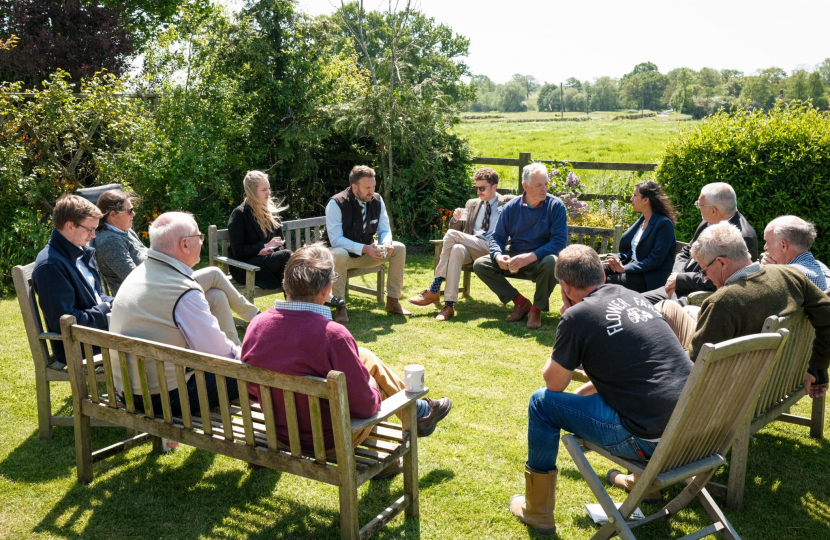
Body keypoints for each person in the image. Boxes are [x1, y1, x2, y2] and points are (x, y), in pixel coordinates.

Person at [508, 244, 693, 533]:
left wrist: (568, 318)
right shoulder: (635, 298)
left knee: (540, 403)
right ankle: (647, 486)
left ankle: (538, 511)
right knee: (641, 398)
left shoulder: (577, 316)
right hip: (691, 432)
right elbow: (633, 371)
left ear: (565, 287)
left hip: (649, 441)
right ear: (603, 277)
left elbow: (553, 383)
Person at [241, 245, 452, 476]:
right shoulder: (333, 335)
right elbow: (366, 406)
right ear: (327, 289)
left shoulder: (257, 325)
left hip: (279, 432)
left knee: (365, 356)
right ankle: (419, 414)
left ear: (286, 283)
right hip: (330, 440)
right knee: (371, 381)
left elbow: (252, 390)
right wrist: (372, 385)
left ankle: (421, 413)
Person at [658, 222, 830, 396]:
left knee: (666, 309)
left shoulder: (722, 303)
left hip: (730, 395)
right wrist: (818, 367)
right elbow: (827, 312)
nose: (706, 278)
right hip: (774, 384)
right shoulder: (791, 275)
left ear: (722, 263)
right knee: (678, 309)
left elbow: (694, 369)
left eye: (704, 270)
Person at [109, 212, 243, 416]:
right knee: (250, 370)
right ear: (185, 244)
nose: (202, 242)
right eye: (200, 237)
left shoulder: (139, 274)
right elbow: (219, 356)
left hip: (127, 391)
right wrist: (245, 354)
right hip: (166, 397)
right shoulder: (183, 290)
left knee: (215, 295)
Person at [92, 189, 259, 327]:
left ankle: (233, 352)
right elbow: (133, 277)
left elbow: (147, 256)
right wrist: (168, 266)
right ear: (113, 215)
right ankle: (257, 318)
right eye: (129, 210)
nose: (134, 214)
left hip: (162, 285)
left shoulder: (124, 231)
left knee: (217, 296)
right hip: (148, 299)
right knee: (214, 274)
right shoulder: (109, 240)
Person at [472, 162, 568, 330]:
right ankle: (520, 303)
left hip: (541, 257)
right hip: (515, 254)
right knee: (481, 264)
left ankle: (536, 310)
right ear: (525, 186)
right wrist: (497, 255)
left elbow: (559, 243)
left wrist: (531, 256)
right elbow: (497, 237)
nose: (544, 188)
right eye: (538, 185)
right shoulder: (511, 207)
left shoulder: (556, 206)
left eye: (545, 184)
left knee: (552, 262)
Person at [408, 168, 512, 321]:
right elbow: (457, 230)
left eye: (482, 188)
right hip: (471, 247)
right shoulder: (472, 204)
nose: (478, 191)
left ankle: (435, 285)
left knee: (451, 236)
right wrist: (456, 220)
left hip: (492, 249)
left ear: (494, 186)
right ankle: (449, 306)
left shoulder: (507, 203)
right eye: (476, 188)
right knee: (456, 248)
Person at [642, 182, 758, 305]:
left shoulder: (741, 237)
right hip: (679, 285)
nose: (697, 207)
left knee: (654, 314)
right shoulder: (707, 222)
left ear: (713, 210)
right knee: (636, 301)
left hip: (698, 296)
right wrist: (677, 275)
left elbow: (719, 279)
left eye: (699, 204)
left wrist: (680, 279)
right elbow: (685, 252)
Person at [32, 194, 114, 369]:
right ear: (70, 226)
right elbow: (66, 322)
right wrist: (107, 309)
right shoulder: (50, 265)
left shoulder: (80, 251)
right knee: (154, 337)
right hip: (81, 345)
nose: (93, 236)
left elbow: (96, 296)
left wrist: (115, 303)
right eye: (89, 229)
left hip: (99, 333)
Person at [324, 165, 409, 324]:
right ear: (354, 187)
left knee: (399, 249)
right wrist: (365, 248)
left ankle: (392, 301)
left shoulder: (377, 200)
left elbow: (384, 229)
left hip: (366, 253)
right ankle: (340, 306)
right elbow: (336, 240)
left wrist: (385, 244)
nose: (372, 191)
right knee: (340, 253)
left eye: (373, 186)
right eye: (367, 188)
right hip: (337, 258)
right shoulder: (336, 203)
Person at [604, 180, 677, 293]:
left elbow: (654, 260)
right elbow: (632, 251)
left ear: (645, 200)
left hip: (649, 277)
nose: (631, 199)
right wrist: (617, 259)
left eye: (635, 195)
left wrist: (624, 269)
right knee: (594, 271)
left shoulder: (664, 224)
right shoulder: (642, 220)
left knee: (604, 281)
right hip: (631, 267)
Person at [228, 170, 294, 291]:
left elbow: (280, 244)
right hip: (247, 267)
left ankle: (293, 308)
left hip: (268, 263)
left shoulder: (270, 213)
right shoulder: (239, 214)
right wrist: (263, 247)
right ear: (252, 192)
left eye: (268, 189)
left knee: (289, 277)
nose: (268, 193)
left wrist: (273, 248)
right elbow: (238, 251)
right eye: (263, 190)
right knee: (288, 256)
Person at [761, 215, 828, 290]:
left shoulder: (789, 278)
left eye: (767, 242)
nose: (765, 247)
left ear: (783, 245)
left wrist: (767, 273)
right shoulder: (821, 267)